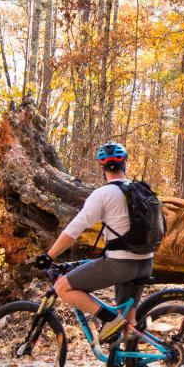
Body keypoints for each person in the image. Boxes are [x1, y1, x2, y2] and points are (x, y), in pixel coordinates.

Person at [35, 142, 154, 345]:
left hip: (121, 265)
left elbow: (74, 229)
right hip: (146, 262)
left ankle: (109, 319)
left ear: (102, 167)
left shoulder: (103, 194)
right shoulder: (141, 190)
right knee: (129, 323)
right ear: (125, 163)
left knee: (62, 287)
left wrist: (50, 255)